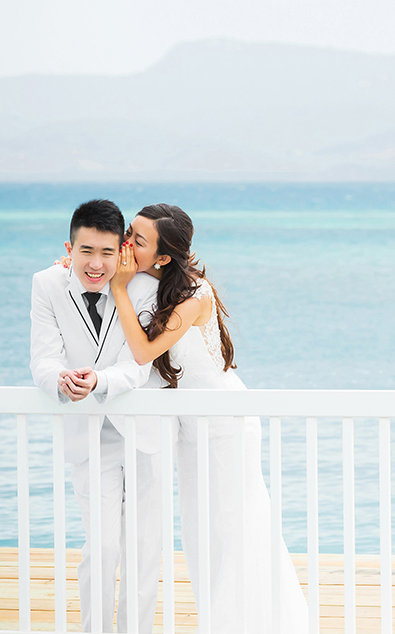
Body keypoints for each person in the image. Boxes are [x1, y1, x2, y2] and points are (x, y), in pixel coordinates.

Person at [110, 203, 308, 633]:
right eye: (129, 232)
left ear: (164, 256)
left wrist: (120, 289)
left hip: (225, 425)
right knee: (202, 534)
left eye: (138, 240)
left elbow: (145, 352)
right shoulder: (154, 278)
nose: (128, 243)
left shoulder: (196, 294)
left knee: (234, 531)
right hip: (193, 427)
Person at [30, 199, 163, 633]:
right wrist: (62, 380)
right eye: (86, 251)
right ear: (69, 247)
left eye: (108, 252)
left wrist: (98, 382)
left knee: (144, 551)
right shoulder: (47, 283)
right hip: (88, 434)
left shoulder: (142, 287)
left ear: (122, 249)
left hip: (144, 432)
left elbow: (136, 365)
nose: (96, 263)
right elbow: (43, 358)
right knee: (100, 548)